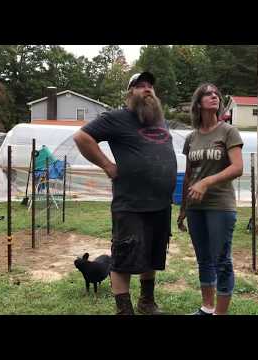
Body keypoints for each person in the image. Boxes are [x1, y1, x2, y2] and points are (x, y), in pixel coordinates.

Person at [73, 71, 177, 315]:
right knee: (123, 257)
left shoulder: (159, 120)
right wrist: (108, 165)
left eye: (150, 86)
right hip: (130, 204)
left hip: (160, 203)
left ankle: (147, 302)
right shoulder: (117, 117)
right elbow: (81, 137)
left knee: (152, 254)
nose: (147, 89)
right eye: (140, 86)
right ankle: (124, 310)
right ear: (130, 93)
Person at [177, 83, 243, 315]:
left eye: (216, 94)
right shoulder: (191, 137)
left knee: (221, 260)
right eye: (208, 94)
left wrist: (206, 182)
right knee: (203, 259)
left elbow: (237, 168)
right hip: (195, 207)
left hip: (220, 205)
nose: (214, 96)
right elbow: (188, 175)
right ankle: (207, 307)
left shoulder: (228, 132)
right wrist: (183, 208)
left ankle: (220, 313)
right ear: (198, 103)